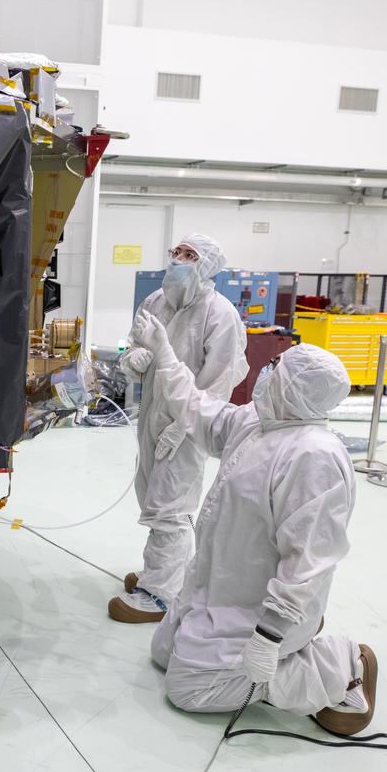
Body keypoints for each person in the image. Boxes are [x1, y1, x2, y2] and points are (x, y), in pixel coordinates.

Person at [130, 315, 377, 736]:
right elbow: (198, 410)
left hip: (264, 608)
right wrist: (164, 354)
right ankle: (277, 651)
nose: (266, 372)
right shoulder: (258, 423)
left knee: (189, 690)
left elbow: (309, 562)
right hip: (222, 589)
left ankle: (341, 665)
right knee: (164, 652)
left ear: (295, 388)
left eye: (277, 369)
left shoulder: (312, 456)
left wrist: (270, 634)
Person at [109, 234, 248, 623]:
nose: (178, 259)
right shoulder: (156, 301)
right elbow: (132, 345)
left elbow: (220, 382)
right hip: (152, 414)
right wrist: (133, 357)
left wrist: (185, 427)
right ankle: (165, 574)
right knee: (151, 495)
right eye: (177, 252)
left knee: (170, 507)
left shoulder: (220, 314)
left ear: (207, 266)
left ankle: (160, 595)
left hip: (188, 425)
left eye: (190, 255)